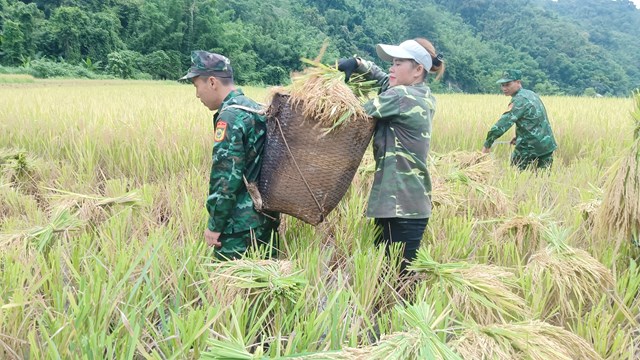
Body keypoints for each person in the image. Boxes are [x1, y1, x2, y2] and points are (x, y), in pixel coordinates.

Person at [337, 38, 445, 273]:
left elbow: (351, 114)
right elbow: (383, 78)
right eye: (392, 63)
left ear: (418, 70)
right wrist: (358, 63)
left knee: (400, 280)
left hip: (402, 207)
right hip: (401, 204)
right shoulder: (418, 93)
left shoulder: (401, 97)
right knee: (387, 275)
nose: (391, 68)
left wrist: (325, 92)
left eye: (398, 63)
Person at [179, 50, 279, 260]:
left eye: (197, 86)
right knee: (263, 285)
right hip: (266, 217)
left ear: (212, 82)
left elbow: (225, 178)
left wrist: (215, 226)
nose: (197, 94)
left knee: (227, 289)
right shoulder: (254, 108)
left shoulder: (230, 117)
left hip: (238, 227)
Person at [482, 69, 557, 170]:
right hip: (547, 146)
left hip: (529, 148)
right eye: (502, 85)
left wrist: (487, 144)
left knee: (515, 176)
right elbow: (535, 121)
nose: (504, 88)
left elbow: (502, 124)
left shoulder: (519, 100)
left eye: (508, 84)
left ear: (518, 82)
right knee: (543, 180)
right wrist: (519, 137)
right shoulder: (531, 94)